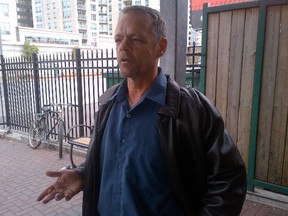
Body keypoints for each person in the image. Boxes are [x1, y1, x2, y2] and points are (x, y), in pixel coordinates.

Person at [37, 5, 247, 216]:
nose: (123, 47)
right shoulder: (107, 104)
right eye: (118, 39)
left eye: (135, 39)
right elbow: (111, 161)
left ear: (160, 47)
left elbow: (229, 180)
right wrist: (83, 174)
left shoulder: (190, 109)